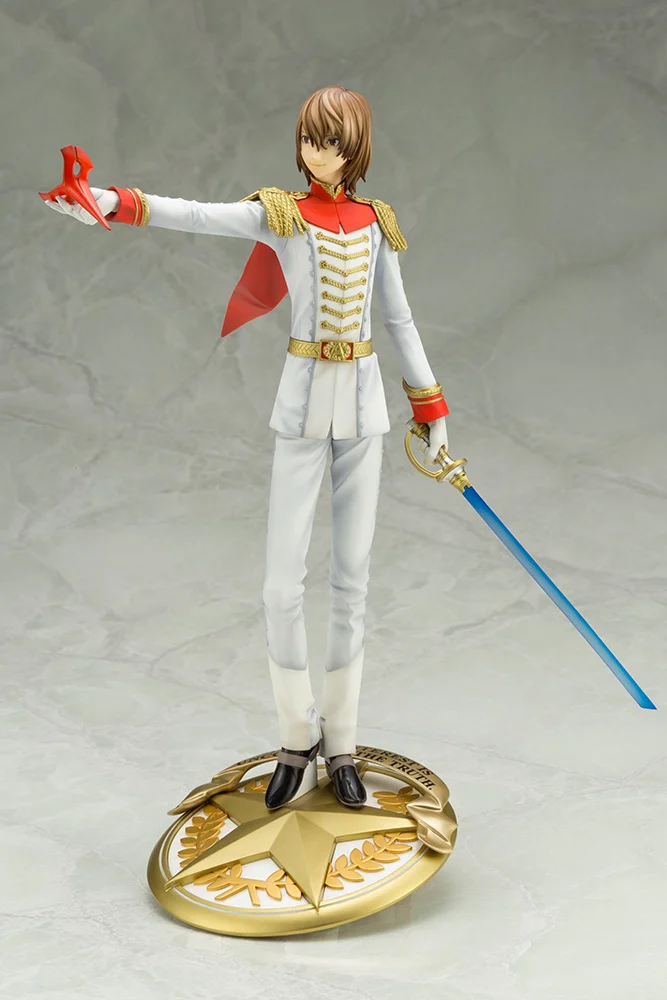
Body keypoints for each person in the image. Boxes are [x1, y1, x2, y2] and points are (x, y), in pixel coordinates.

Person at [45, 85, 450, 811]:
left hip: (364, 413)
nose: (317, 153)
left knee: (352, 584)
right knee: (279, 584)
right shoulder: (280, 214)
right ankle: (297, 736)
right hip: (300, 410)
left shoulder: (374, 222)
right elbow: (197, 215)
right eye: (309, 139)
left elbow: (399, 320)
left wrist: (430, 405)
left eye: (330, 142)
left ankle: (343, 742)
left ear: (354, 149)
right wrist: (108, 200)